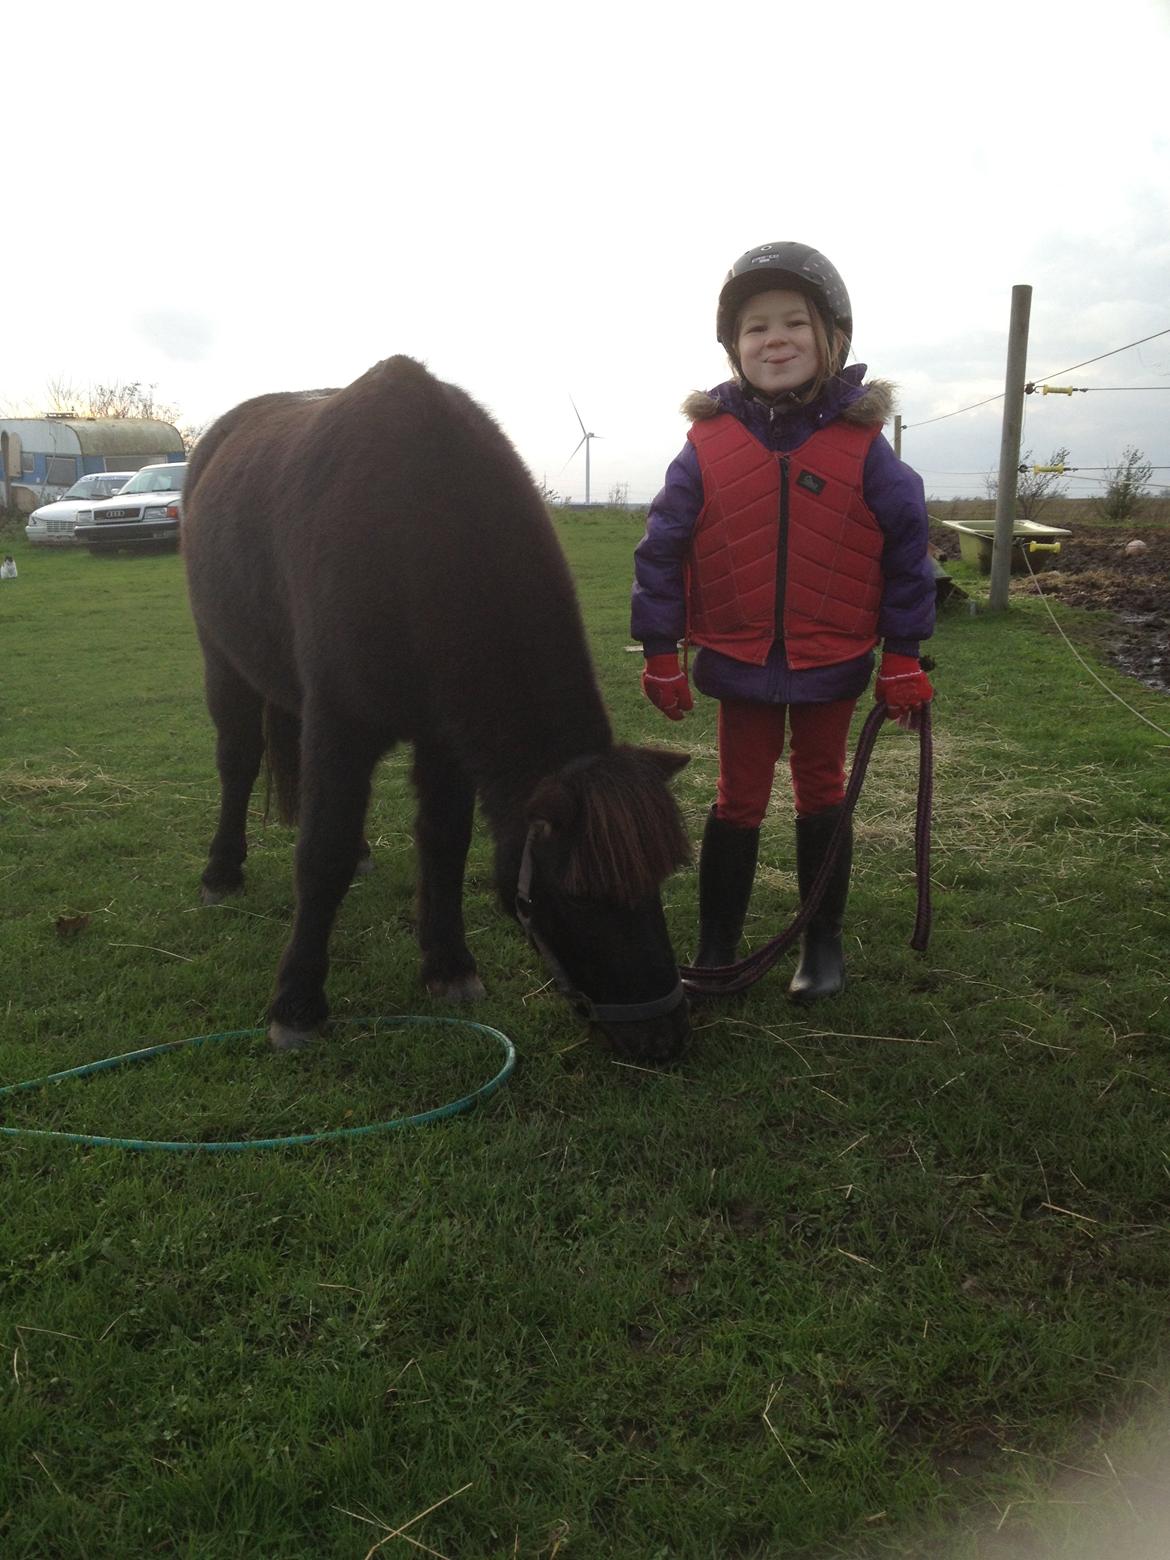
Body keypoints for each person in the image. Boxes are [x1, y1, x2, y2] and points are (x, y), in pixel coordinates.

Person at [631, 241, 936, 1002]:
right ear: (733, 348)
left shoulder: (865, 447)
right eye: (756, 327)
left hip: (830, 656)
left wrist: (904, 653)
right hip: (737, 657)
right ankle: (716, 946)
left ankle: (821, 944)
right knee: (737, 799)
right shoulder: (705, 444)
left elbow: (907, 549)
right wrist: (660, 649)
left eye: (794, 323)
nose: (775, 339)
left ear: (832, 337)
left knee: (821, 790)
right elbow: (662, 547)